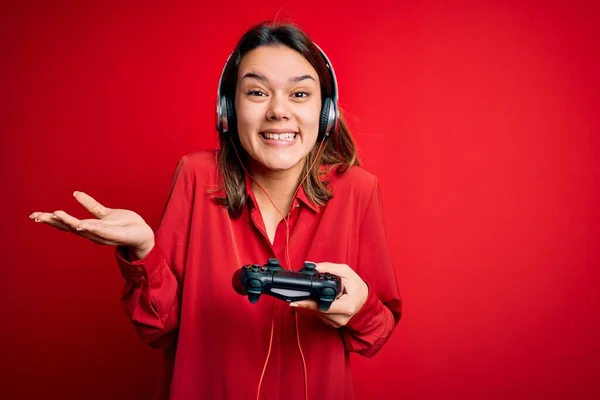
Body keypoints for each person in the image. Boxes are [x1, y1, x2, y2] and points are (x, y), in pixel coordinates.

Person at [30, 21, 402, 400]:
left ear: (326, 113)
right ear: (228, 109)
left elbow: (376, 332)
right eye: (257, 92)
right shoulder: (196, 176)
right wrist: (144, 250)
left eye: (300, 94)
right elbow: (160, 329)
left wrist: (359, 307)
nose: (279, 111)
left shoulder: (358, 189)